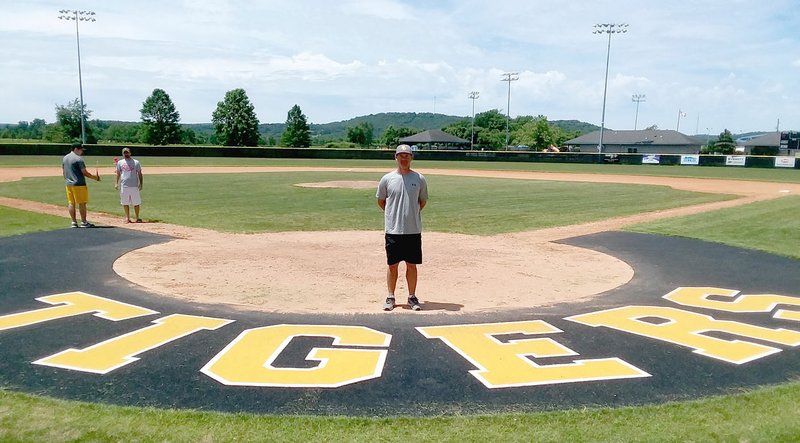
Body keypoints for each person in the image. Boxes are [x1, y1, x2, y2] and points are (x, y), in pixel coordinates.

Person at [376, 144, 428, 311]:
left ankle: (412, 297)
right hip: (393, 230)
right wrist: (393, 214)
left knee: (411, 265)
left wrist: (410, 213)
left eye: (407, 155)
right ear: (395, 157)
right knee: (392, 265)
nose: (404, 158)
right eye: (401, 155)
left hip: (413, 230)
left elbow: (422, 201)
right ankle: (390, 297)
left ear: (412, 158)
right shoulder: (387, 179)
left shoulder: (419, 179)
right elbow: (381, 201)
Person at [62, 143, 100, 228]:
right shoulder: (78, 159)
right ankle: (84, 222)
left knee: (71, 203)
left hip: (68, 184)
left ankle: (74, 222)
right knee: (82, 203)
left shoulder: (65, 158)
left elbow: (64, 172)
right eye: (81, 150)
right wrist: (95, 178)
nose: (81, 152)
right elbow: (85, 172)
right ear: (76, 149)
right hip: (79, 184)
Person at [114, 147, 143, 223]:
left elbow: (140, 174)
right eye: (124, 153)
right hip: (124, 185)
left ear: (130, 153)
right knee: (125, 202)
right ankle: (127, 217)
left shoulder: (136, 162)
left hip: (134, 185)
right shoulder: (120, 163)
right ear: (122, 154)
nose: (126, 154)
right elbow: (118, 173)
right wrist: (116, 183)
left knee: (136, 202)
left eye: (127, 152)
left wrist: (141, 183)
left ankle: (137, 217)